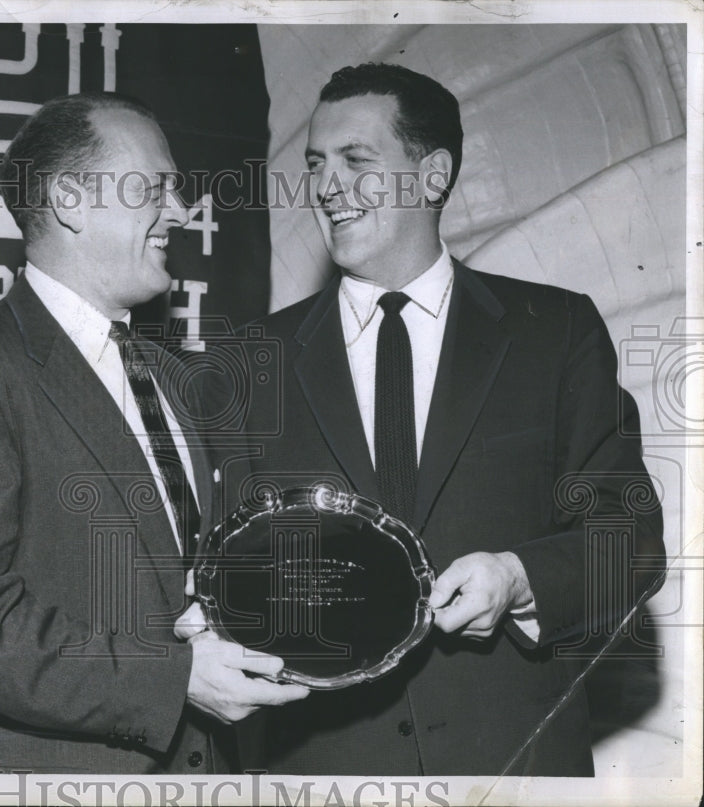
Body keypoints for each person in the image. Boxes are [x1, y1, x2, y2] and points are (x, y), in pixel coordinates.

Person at [212, 63, 665, 776]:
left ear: (432, 175)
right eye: (316, 164)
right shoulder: (250, 361)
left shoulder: (555, 332)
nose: (327, 187)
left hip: (516, 767)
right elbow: (222, 566)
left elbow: (630, 539)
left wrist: (519, 577)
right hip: (325, 771)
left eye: (356, 161)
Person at [0, 92, 308, 775]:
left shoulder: (177, 381)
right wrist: (174, 679)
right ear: (71, 201)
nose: (181, 210)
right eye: (157, 188)